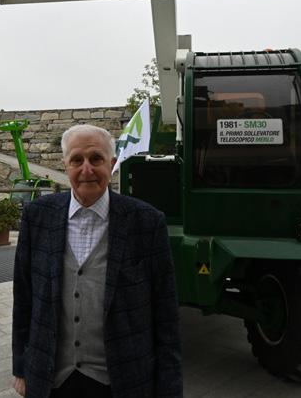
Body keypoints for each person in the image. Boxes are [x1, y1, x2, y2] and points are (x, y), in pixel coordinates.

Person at [12, 124, 182, 398]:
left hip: (122, 381)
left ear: (112, 164)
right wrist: (21, 368)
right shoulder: (38, 217)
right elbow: (24, 299)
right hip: (53, 380)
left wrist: (169, 388)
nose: (86, 169)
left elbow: (165, 314)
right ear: (65, 165)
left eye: (96, 159)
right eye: (77, 160)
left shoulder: (147, 222)